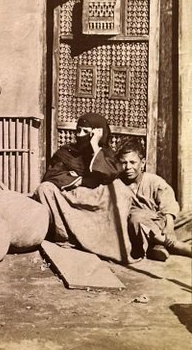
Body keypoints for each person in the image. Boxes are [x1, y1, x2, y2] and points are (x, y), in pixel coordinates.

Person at [33, 112, 135, 263]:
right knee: (45, 188)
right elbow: (53, 175)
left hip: (96, 198)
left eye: (86, 132)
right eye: (78, 130)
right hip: (70, 196)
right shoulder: (67, 152)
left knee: (120, 190)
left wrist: (95, 146)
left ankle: (105, 243)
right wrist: (82, 180)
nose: (80, 135)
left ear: (98, 133)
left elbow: (109, 173)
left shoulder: (107, 154)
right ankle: (66, 237)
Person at [117, 136, 192, 261]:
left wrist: (169, 228)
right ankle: (177, 246)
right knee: (136, 218)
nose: (128, 167)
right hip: (137, 229)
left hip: (161, 224)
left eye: (132, 162)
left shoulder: (153, 181)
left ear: (143, 163)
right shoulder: (118, 184)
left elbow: (168, 205)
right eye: (124, 163)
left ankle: (158, 245)